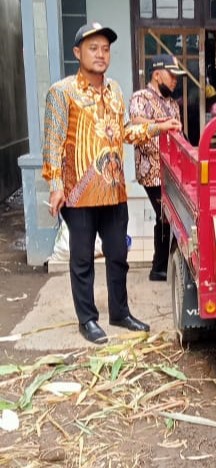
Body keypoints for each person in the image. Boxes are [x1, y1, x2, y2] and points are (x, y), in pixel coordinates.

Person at [42, 23, 181, 344]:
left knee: (118, 256)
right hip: (79, 194)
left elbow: (123, 132)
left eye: (105, 48)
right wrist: (55, 185)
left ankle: (120, 313)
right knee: (82, 260)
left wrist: (160, 127)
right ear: (78, 53)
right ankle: (87, 319)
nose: (101, 54)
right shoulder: (62, 92)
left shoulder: (116, 91)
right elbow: (52, 141)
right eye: (93, 48)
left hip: (115, 191)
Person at [129, 54, 185, 282]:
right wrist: (161, 126)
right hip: (152, 172)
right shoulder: (140, 97)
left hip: (171, 171)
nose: (175, 81)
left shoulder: (171, 103)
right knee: (164, 216)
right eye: (171, 76)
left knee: (166, 216)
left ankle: (160, 265)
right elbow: (135, 123)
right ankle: (158, 267)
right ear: (156, 74)